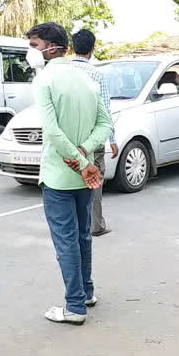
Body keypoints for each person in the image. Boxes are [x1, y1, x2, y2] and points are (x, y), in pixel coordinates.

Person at [26, 22, 113, 325]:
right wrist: (86, 154)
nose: (32, 53)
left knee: (66, 241)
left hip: (59, 175)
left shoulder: (44, 81)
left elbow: (52, 132)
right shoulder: (86, 78)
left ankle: (74, 306)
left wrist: (77, 158)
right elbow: (105, 125)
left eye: (34, 46)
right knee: (82, 236)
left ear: (51, 46)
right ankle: (86, 292)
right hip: (83, 174)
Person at [70, 29, 119, 237]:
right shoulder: (97, 74)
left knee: (69, 180)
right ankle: (96, 225)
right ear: (92, 49)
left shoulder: (63, 72)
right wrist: (113, 139)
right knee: (95, 181)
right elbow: (105, 111)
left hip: (69, 138)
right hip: (93, 139)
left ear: (72, 48)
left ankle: (73, 225)